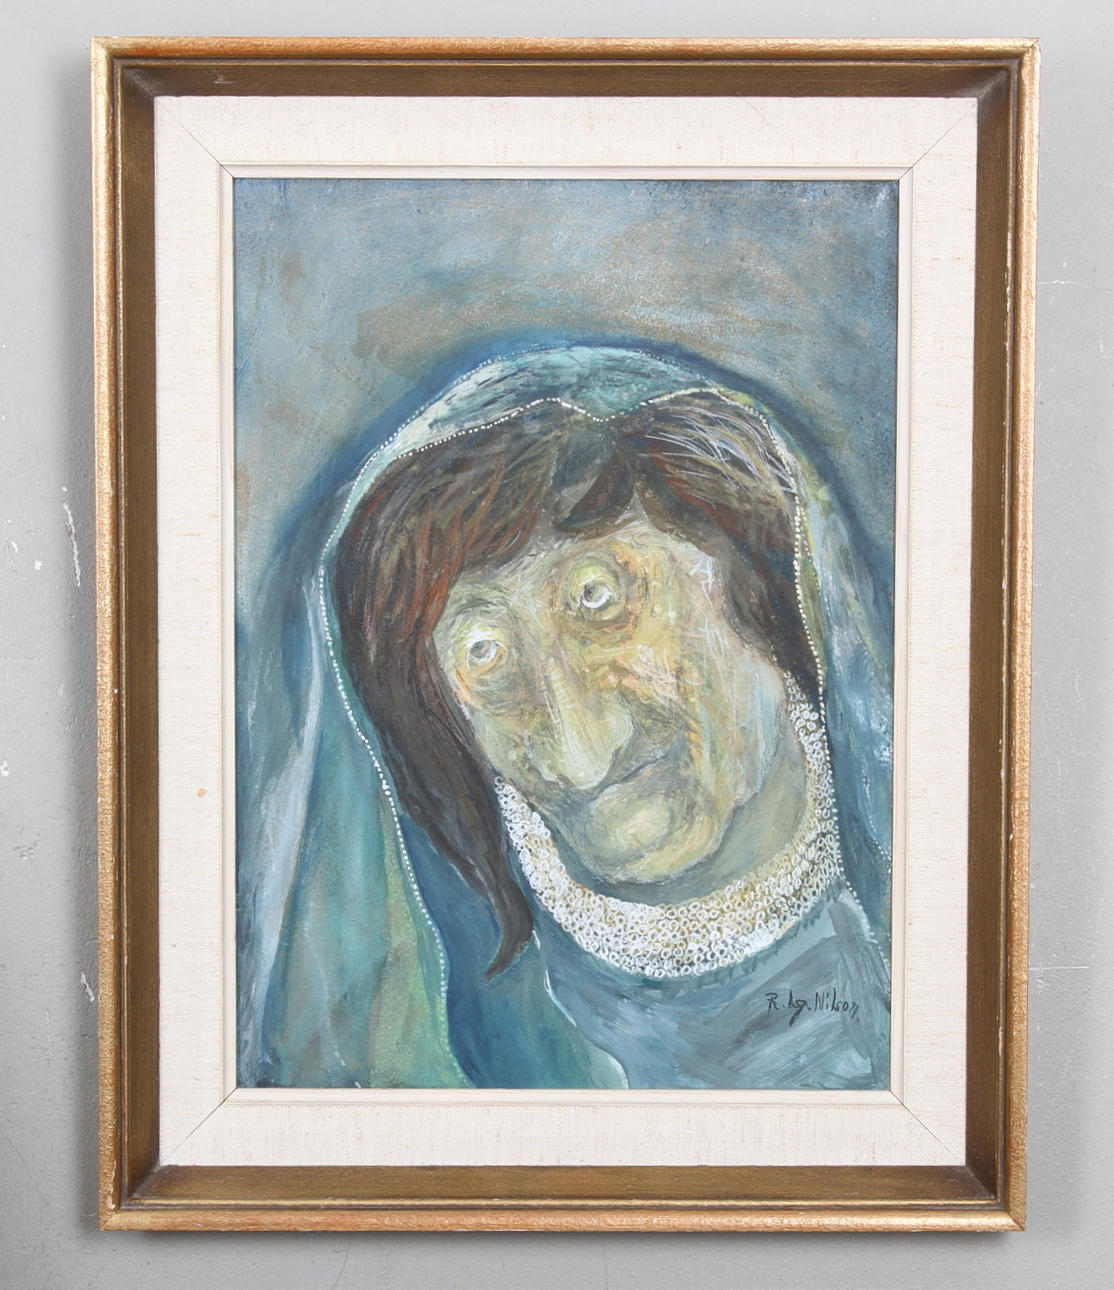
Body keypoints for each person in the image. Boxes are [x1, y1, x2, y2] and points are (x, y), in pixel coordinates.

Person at [239, 343, 893, 1090]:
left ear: (761, 581)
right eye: (483, 653)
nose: (586, 750)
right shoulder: (462, 1049)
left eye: (598, 598)